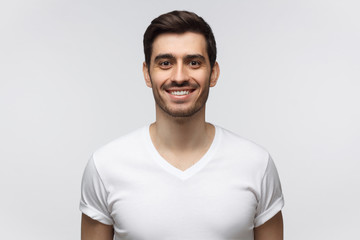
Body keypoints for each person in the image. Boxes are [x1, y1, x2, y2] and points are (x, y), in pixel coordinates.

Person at [80, 10, 284, 240]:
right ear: (147, 73)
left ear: (213, 73)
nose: (179, 76)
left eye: (193, 62)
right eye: (165, 63)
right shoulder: (105, 166)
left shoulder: (256, 164)